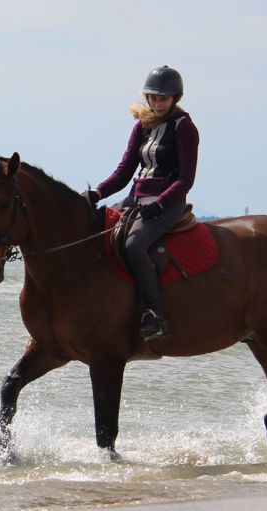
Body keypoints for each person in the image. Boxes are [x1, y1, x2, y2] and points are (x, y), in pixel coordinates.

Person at [85, 65, 199, 341]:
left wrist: (160, 203)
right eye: (153, 97)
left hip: (167, 203)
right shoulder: (142, 127)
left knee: (134, 244)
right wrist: (97, 193)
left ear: (175, 98)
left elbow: (185, 179)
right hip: (136, 198)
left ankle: (155, 314)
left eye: (163, 98)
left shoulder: (185, 128)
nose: (157, 103)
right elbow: (124, 172)